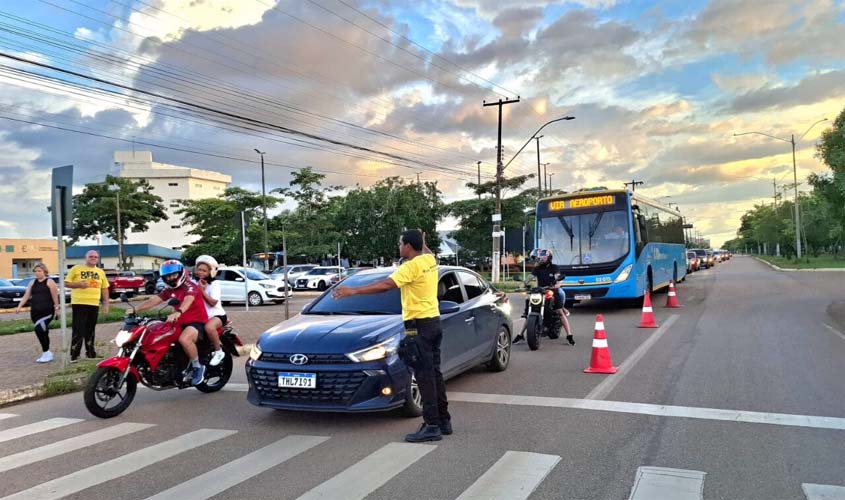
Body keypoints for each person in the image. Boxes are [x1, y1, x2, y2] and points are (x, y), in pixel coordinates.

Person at [332, 229, 449, 443]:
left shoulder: (411, 266)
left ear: (408, 246)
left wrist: (354, 291)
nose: (399, 246)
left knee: (424, 376)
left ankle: (432, 425)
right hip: (433, 323)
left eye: (400, 243)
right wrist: (422, 240)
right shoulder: (429, 260)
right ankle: (443, 420)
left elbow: (386, 285)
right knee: (434, 373)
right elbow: (425, 249)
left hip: (419, 326)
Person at [134, 260, 209, 385]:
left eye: (173, 275)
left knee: (184, 339)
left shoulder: (190, 286)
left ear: (180, 273)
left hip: (196, 322)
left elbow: (188, 299)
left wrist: (178, 312)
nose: (170, 278)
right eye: (168, 276)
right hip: (178, 322)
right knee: (158, 334)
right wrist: (135, 309)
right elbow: (155, 300)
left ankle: (197, 366)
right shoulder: (169, 290)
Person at [515, 249, 575, 346]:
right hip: (540, 291)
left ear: (549, 258)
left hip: (551, 291)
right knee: (529, 312)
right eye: (540, 257)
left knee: (560, 312)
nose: (541, 259)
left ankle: (569, 336)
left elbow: (557, 277)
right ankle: (520, 334)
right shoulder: (537, 268)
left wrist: (558, 284)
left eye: (544, 257)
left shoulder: (554, 268)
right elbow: (530, 277)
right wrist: (523, 284)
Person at [64, 250, 109, 362]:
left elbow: (104, 288)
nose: (93, 258)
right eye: (91, 256)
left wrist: (106, 304)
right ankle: (74, 355)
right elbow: (66, 283)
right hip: (79, 303)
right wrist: (78, 284)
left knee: (90, 329)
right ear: (86, 258)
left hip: (94, 303)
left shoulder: (100, 272)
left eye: (95, 257)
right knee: (78, 329)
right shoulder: (76, 269)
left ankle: (90, 353)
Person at [16, 263, 61, 363]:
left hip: (47, 311)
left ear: (44, 271)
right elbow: (27, 295)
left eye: (39, 271)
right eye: (35, 271)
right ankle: (47, 352)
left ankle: (46, 352)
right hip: (35, 312)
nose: (37, 273)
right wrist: (19, 306)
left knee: (39, 329)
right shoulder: (32, 282)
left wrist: (57, 308)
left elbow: (55, 296)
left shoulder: (49, 281)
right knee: (43, 332)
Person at [194, 255, 226, 367]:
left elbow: (213, 302)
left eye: (204, 270)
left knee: (209, 327)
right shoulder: (194, 283)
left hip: (217, 316)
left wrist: (201, 291)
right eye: (199, 270)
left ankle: (218, 351)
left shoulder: (214, 284)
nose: (201, 272)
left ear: (210, 272)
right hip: (201, 317)